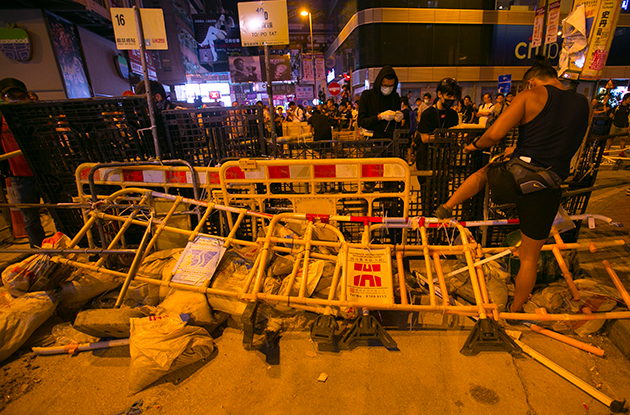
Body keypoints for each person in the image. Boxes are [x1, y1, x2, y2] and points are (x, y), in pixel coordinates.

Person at [433, 57, 590, 315]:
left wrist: (474, 145)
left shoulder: (531, 95)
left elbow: (494, 134)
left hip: (516, 181)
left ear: (531, 81)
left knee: (485, 172)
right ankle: (516, 310)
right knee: (530, 256)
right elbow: (568, 140)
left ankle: (447, 207)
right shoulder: (584, 103)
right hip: (549, 186)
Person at [0, 78, 62, 247]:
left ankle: (64, 248)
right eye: (11, 96)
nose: (17, 100)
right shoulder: (2, 120)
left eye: (21, 96)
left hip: (45, 172)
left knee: (58, 214)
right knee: (30, 219)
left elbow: (53, 141)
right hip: (19, 176)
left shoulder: (37, 117)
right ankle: (40, 254)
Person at [414, 77, 461, 175]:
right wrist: (444, 136)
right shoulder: (428, 114)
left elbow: (455, 134)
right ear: (439, 94)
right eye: (449, 95)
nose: (452, 99)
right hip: (426, 158)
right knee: (427, 187)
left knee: (444, 187)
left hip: (444, 158)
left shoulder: (452, 114)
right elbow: (425, 138)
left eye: (454, 96)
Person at [357, 65, 403, 139]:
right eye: (385, 86)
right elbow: (361, 122)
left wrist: (398, 118)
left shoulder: (395, 97)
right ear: (379, 83)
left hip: (390, 142)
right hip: (371, 141)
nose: (388, 89)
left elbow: (396, 126)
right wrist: (379, 117)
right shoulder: (367, 96)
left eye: (391, 86)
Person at [604, 93, 629, 157]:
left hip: (624, 125)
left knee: (623, 139)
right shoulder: (617, 107)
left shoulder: (629, 108)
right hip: (615, 124)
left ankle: (621, 152)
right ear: (625, 99)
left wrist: (629, 126)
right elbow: (612, 114)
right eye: (629, 99)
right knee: (610, 138)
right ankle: (607, 150)